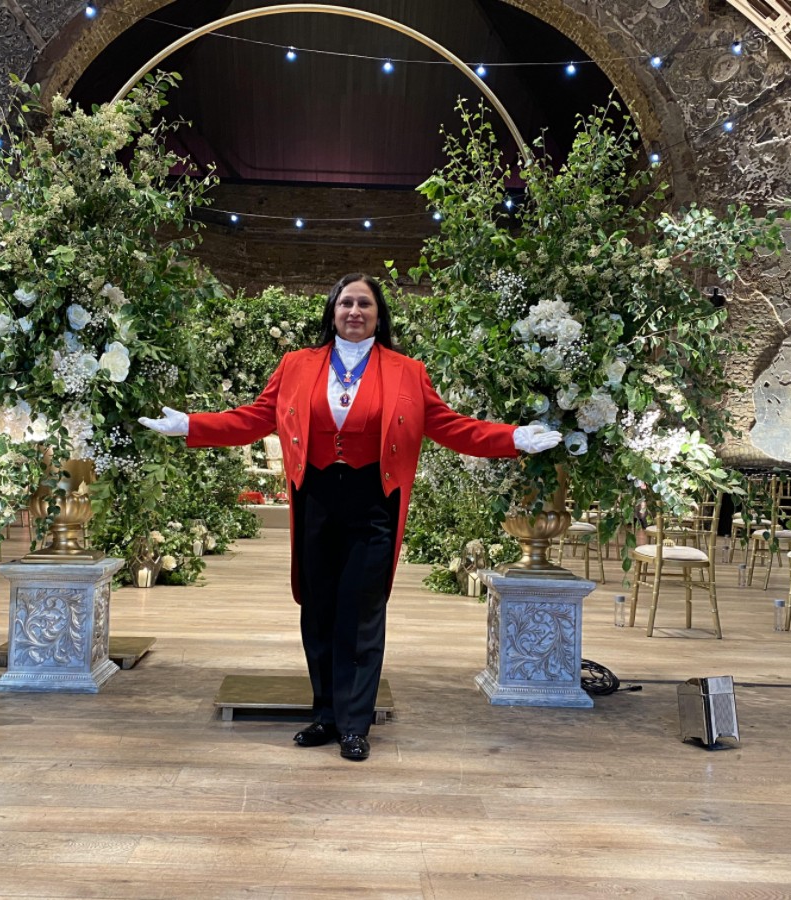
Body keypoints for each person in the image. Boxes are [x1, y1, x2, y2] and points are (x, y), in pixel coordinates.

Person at [140, 273, 561, 761]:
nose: (354, 311)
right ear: (332, 311)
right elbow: (255, 417)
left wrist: (513, 438)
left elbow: (450, 426)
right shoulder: (297, 365)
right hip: (316, 497)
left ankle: (355, 724)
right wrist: (191, 425)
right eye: (346, 303)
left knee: (360, 613)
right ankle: (325, 715)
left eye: (364, 304)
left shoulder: (407, 371)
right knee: (318, 610)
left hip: (372, 501)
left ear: (379, 316)